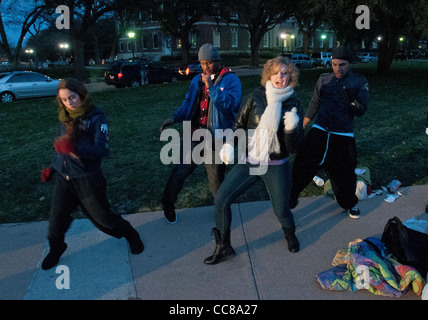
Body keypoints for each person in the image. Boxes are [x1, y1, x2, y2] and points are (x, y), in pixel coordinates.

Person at [204, 56, 303, 265]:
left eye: (284, 73)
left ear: (290, 77)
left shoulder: (293, 104)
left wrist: (291, 129)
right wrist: (230, 144)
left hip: (276, 164)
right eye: (275, 73)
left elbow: (294, 148)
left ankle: (290, 233)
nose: (280, 77)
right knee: (221, 199)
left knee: (281, 210)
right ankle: (224, 246)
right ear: (268, 75)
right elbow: (238, 124)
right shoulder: (255, 96)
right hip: (251, 160)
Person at [40, 78, 144, 270]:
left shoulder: (96, 117)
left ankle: (130, 233)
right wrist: (53, 168)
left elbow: (102, 149)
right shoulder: (64, 117)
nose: (69, 103)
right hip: (65, 178)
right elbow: (61, 150)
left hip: (88, 177)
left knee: (103, 219)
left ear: (82, 95)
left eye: (72, 98)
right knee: (57, 218)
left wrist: (76, 148)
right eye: (64, 100)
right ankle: (57, 247)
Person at [159, 43, 242, 224]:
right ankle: (167, 204)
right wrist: (174, 118)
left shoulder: (231, 80)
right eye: (203, 63)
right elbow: (188, 103)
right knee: (180, 171)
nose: (205, 67)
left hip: (216, 138)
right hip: (195, 135)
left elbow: (230, 107)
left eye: (209, 63)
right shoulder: (196, 81)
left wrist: (212, 87)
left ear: (218, 61)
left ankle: (221, 212)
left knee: (216, 182)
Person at [290, 46, 369, 219]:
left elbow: (362, 109)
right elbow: (314, 103)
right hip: (320, 128)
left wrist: (351, 102)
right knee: (303, 161)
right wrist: (303, 125)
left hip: (342, 134)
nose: (338, 69)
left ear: (349, 64)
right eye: (334, 64)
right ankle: (290, 198)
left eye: (342, 65)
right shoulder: (323, 80)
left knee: (345, 173)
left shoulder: (359, 82)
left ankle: (349, 203)